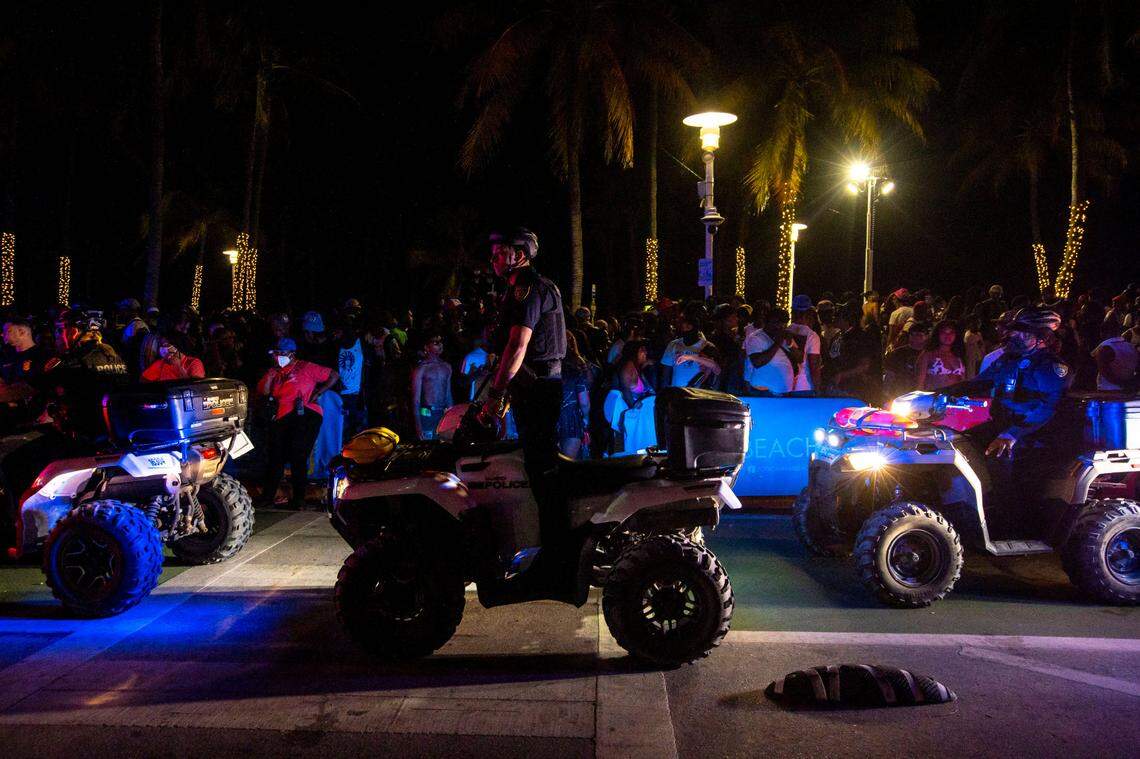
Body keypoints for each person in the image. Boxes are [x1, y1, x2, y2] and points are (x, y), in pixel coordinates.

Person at [478, 226, 567, 563]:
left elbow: (517, 347)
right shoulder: (530, 287)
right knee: (537, 465)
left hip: (539, 388)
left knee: (542, 468)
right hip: (539, 386)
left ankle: (556, 551)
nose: (494, 259)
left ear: (519, 255)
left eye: (500, 253)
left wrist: (497, 394)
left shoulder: (527, 289)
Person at [256, 337, 339, 509]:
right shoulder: (276, 372)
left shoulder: (305, 367)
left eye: (281, 353)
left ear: (292, 354)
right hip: (281, 416)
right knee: (275, 457)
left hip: (304, 414)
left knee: (298, 456)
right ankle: (268, 497)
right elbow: (263, 391)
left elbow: (333, 375)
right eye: (276, 353)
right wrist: (271, 375)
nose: (277, 356)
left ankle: (299, 499)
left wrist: (318, 392)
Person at [742, 307, 795, 395]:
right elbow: (757, 362)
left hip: (784, 389)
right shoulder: (755, 337)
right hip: (764, 390)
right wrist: (778, 342)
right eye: (775, 323)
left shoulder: (783, 335)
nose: (779, 326)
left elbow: (800, 358)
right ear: (767, 322)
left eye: (782, 323)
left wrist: (790, 343)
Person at [411, 332, 453, 440]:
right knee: (428, 447)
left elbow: (448, 395)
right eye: (436, 342)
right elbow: (416, 400)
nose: (440, 345)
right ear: (427, 347)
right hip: (427, 415)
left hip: (443, 415)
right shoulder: (421, 369)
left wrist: (452, 417)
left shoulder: (447, 367)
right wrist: (418, 425)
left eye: (441, 342)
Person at [558, 331, 593, 459]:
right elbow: (584, 402)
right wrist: (586, 419)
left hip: (549, 418)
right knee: (568, 464)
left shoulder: (546, 365)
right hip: (571, 419)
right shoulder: (577, 366)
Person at [660, 307, 713, 387]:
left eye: (688, 327)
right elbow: (666, 374)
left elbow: (714, 372)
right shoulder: (673, 345)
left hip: (698, 394)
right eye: (683, 328)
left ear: (695, 327)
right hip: (677, 393)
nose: (685, 331)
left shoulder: (706, 346)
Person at [882, 321, 930, 399]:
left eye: (919, 335)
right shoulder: (897, 353)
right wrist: (885, 394)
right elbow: (889, 375)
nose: (915, 337)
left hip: (923, 394)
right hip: (900, 393)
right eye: (912, 334)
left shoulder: (930, 354)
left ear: (926, 336)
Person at [916, 320, 967, 391]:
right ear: (937, 334)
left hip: (955, 399)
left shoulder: (958, 356)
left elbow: (963, 383)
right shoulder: (928, 354)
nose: (948, 335)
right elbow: (919, 384)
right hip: (933, 399)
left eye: (951, 332)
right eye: (944, 332)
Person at [787, 295, 822, 392]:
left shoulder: (785, 331)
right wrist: (817, 388)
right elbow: (813, 366)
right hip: (804, 386)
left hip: (786, 384)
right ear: (809, 313)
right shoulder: (812, 336)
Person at [141, 334, 206, 382]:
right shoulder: (161, 363)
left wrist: (178, 367)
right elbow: (143, 380)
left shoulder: (194, 363)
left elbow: (195, 387)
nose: (162, 348)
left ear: (175, 347)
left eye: (165, 345)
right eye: (161, 345)